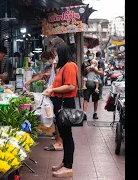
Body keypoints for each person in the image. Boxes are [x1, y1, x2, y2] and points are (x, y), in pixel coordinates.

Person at [43, 44, 78, 177]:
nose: (55, 56)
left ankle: (68, 167)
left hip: (65, 104)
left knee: (67, 136)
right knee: (64, 135)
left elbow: (70, 86)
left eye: (57, 53)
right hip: (61, 103)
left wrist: (52, 90)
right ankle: (65, 162)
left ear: (62, 53)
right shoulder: (64, 66)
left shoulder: (69, 66)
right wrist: (51, 88)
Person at [43, 38, 65, 152]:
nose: (52, 51)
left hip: (55, 91)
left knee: (57, 117)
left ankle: (59, 142)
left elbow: (58, 76)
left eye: (53, 48)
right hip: (54, 90)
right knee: (57, 117)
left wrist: (52, 88)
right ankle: (58, 140)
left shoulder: (58, 59)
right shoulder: (59, 59)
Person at [81, 51, 104, 120]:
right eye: (89, 55)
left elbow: (101, 73)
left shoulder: (98, 63)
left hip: (95, 85)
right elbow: (82, 73)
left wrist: (95, 70)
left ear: (93, 55)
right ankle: (84, 114)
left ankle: (95, 113)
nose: (90, 56)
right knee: (85, 99)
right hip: (87, 84)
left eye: (91, 55)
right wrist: (87, 70)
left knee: (95, 100)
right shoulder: (85, 63)